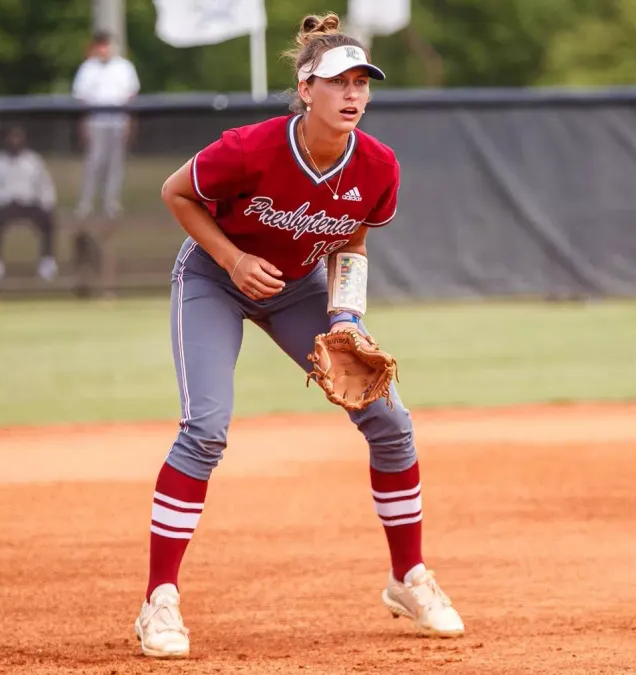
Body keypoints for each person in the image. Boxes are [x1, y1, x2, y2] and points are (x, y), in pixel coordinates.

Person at [132, 13, 464, 660]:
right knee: (206, 427)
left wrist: (345, 318)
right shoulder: (251, 148)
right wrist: (230, 260)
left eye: (363, 83)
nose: (354, 95)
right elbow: (176, 192)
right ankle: (159, 600)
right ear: (306, 88)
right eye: (340, 82)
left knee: (391, 420)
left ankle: (409, 577)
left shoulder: (377, 165)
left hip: (299, 286)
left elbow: (353, 240)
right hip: (214, 277)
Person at [71, 30, 140, 221]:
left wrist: (130, 123)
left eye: (106, 44)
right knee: (94, 162)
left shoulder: (124, 67)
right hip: (96, 121)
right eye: (99, 45)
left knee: (115, 163)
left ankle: (111, 202)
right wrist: (83, 124)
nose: (103, 49)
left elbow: (131, 97)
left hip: (118, 121)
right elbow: (81, 99)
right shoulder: (87, 68)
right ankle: (86, 203)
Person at [0, 125, 58, 285]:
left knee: (48, 220)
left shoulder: (33, 160)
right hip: (5, 205)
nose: (15, 141)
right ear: (6, 140)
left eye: (18, 137)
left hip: (29, 204)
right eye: (12, 137)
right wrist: (2, 200)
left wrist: (47, 203)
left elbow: (45, 185)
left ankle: (47, 261)